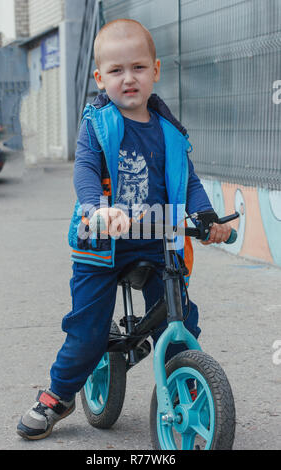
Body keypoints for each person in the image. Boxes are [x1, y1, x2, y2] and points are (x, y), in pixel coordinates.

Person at [17, 19, 231, 440]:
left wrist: (207, 218)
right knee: (88, 332)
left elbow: (187, 180)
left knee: (181, 316)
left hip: (157, 240)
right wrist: (98, 209)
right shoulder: (98, 123)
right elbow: (84, 170)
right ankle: (58, 395)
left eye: (138, 68)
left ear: (155, 70)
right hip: (102, 242)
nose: (128, 78)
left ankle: (186, 380)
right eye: (116, 71)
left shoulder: (169, 131)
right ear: (100, 78)